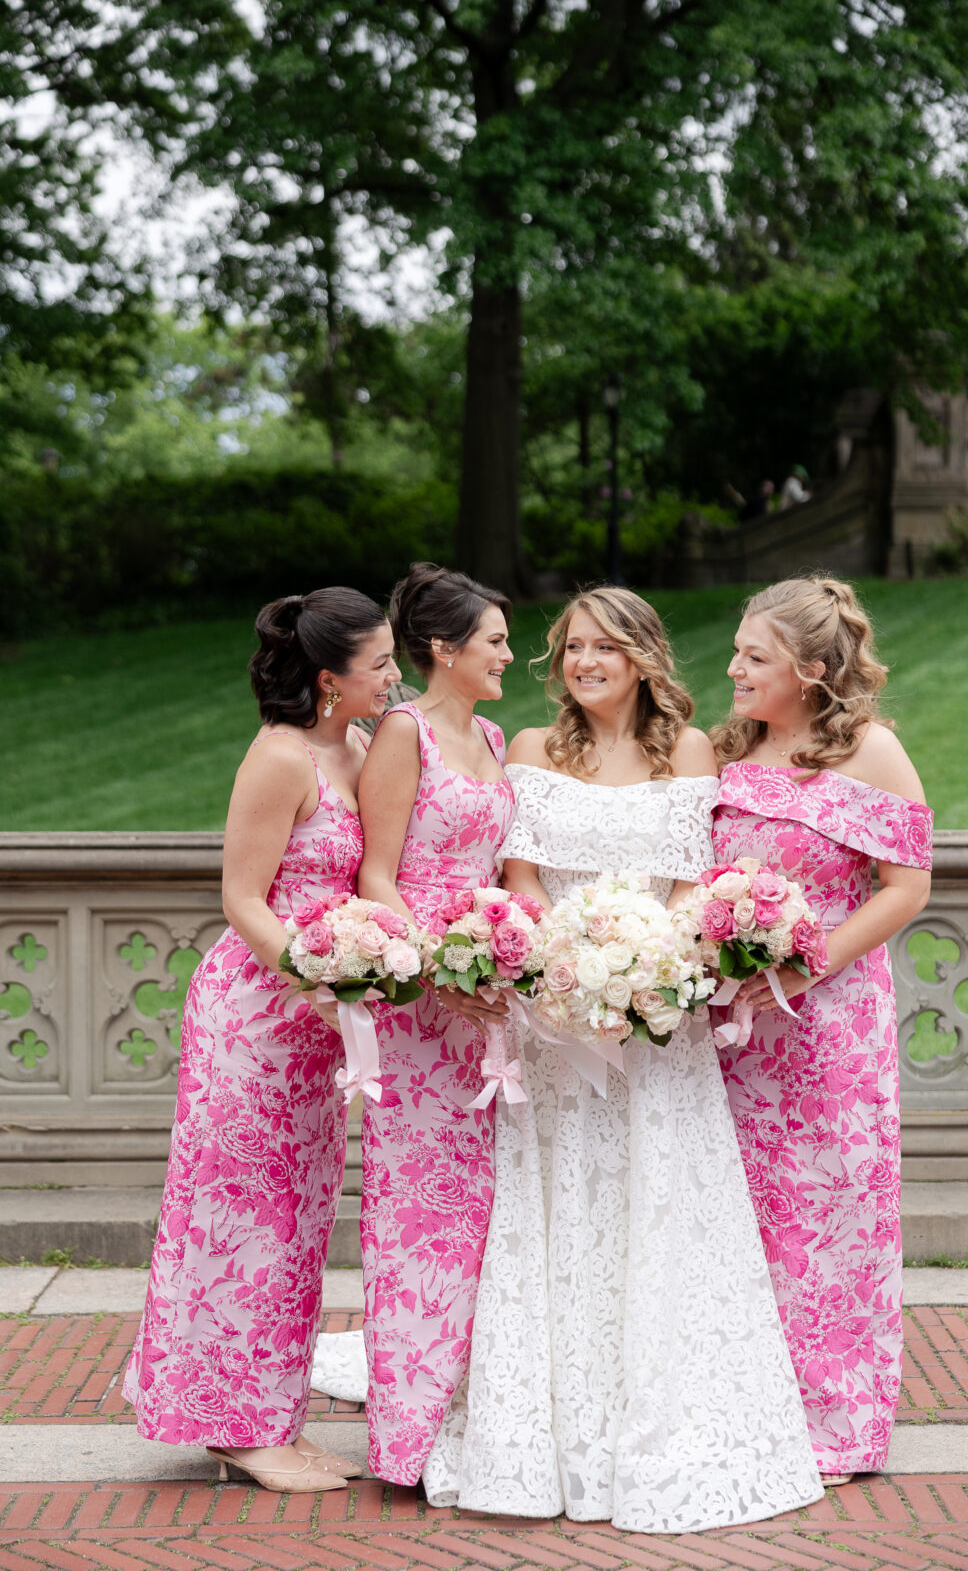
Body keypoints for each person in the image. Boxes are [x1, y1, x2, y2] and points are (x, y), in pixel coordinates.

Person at [423, 587, 824, 1533]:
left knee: (659, 1211)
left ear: (643, 657)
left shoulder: (683, 753)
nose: (582, 663)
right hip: (550, 1025)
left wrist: (642, 976)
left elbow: (689, 891)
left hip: (656, 1028)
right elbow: (516, 886)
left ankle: (669, 1427)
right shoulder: (528, 748)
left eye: (604, 647)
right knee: (556, 1212)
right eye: (569, 648)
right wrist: (563, 979)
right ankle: (542, 1439)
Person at [123, 587, 401, 1492]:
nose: (394, 675)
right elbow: (242, 898)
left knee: (299, 1218)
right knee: (242, 1216)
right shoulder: (281, 759)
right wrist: (315, 980)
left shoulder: (354, 747)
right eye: (381, 664)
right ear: (329, 679)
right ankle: (237, 1427)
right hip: (255, 1017)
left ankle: (268, 1415)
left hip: (319, 1026)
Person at [711, 575, 932, 1485]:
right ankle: (747, 1403)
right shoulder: (729, 753)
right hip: (733, 1037)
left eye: (752, 657)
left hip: (830, 1030)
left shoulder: (872, 752)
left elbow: (907, 886)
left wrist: (810, 962)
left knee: (828, 1215)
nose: (731, 667)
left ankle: (838, 1423)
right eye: (735, 650)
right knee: (744, 1216)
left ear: (807, 670)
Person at [311, 563, 516, 1487]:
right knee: (418, 1217)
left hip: (491, 1003)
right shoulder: (403, 734)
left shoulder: (497, 735)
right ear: (444, 649)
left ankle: (481, 1411)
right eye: (496, 641)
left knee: (489, 1216)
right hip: (424, 1008)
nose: (511, 654)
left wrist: (508, 955)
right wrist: (439, 968)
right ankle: (410, 1438)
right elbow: (378, 876)